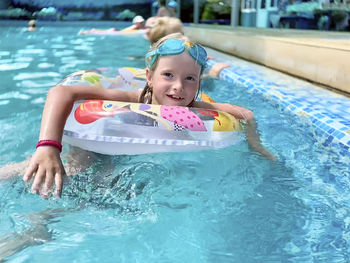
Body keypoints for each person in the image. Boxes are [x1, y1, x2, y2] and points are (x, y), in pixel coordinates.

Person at [21, 33, 275, 199]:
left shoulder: (196, 107)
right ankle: (35, 227)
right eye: (168, 75)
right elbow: (61, 92)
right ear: (150, 77)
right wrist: (48, 146)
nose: (178, 87)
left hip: (128, 164)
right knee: (71, 174)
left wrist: (257, 148)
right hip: (95, 148)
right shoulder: (130, 99)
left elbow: (245, 115)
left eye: (190, 79)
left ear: (198, 83)